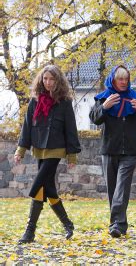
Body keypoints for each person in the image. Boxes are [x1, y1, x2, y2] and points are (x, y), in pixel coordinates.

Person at [14, 64, 81, 244]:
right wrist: (20, 149)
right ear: (41, 80)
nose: (48, 82)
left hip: (56, 148)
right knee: (48, 189)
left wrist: (72, 155)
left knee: (37, 186)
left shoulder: (64, 102)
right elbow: (27, 126)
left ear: (58, 80)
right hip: (39, 149)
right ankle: (67, 224)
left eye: (52, 79)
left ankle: (29, 231)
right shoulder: (35, 101)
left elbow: (71, 129)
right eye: (45, 79)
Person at [89, 65, 136, 238]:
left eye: (126, 79)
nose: (124, 82)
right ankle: (117, 224)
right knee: (113, 189)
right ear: (113, 80)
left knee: (122, 186)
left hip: (130, 150)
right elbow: (94, 119)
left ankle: (117, 223)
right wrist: (104, 107)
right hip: (109, 149)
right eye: (120, 79)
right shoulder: (103, 97)